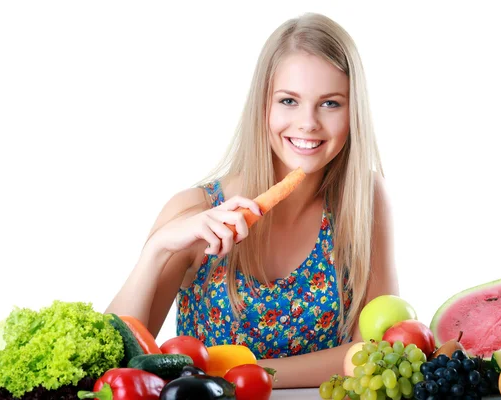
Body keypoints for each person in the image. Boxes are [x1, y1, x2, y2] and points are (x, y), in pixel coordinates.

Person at [106, 11, 398, 388]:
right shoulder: (195, 210)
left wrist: (238, 374)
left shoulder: (365, 202)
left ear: (353, 111)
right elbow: (111, 361)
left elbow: (374, 352)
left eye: (330, 103)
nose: (308, 122)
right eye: (289, 100)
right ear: (263, 105)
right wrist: (158, 250)